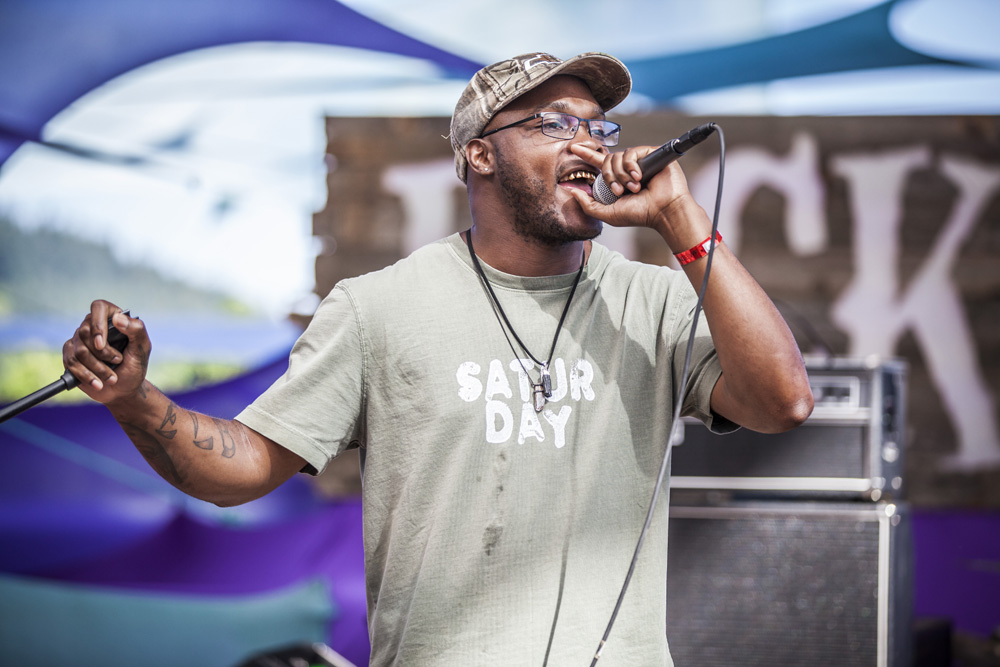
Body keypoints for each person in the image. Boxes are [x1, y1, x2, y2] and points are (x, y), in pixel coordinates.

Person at [64, 52, 814, 666]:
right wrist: (134, 398)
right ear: (479, 154)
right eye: (554, 124)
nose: (589, 145)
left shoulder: (653, 300)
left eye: (599, 127)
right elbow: (241, 467)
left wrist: (680, 215)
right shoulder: (378, 307)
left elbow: (785, 401)